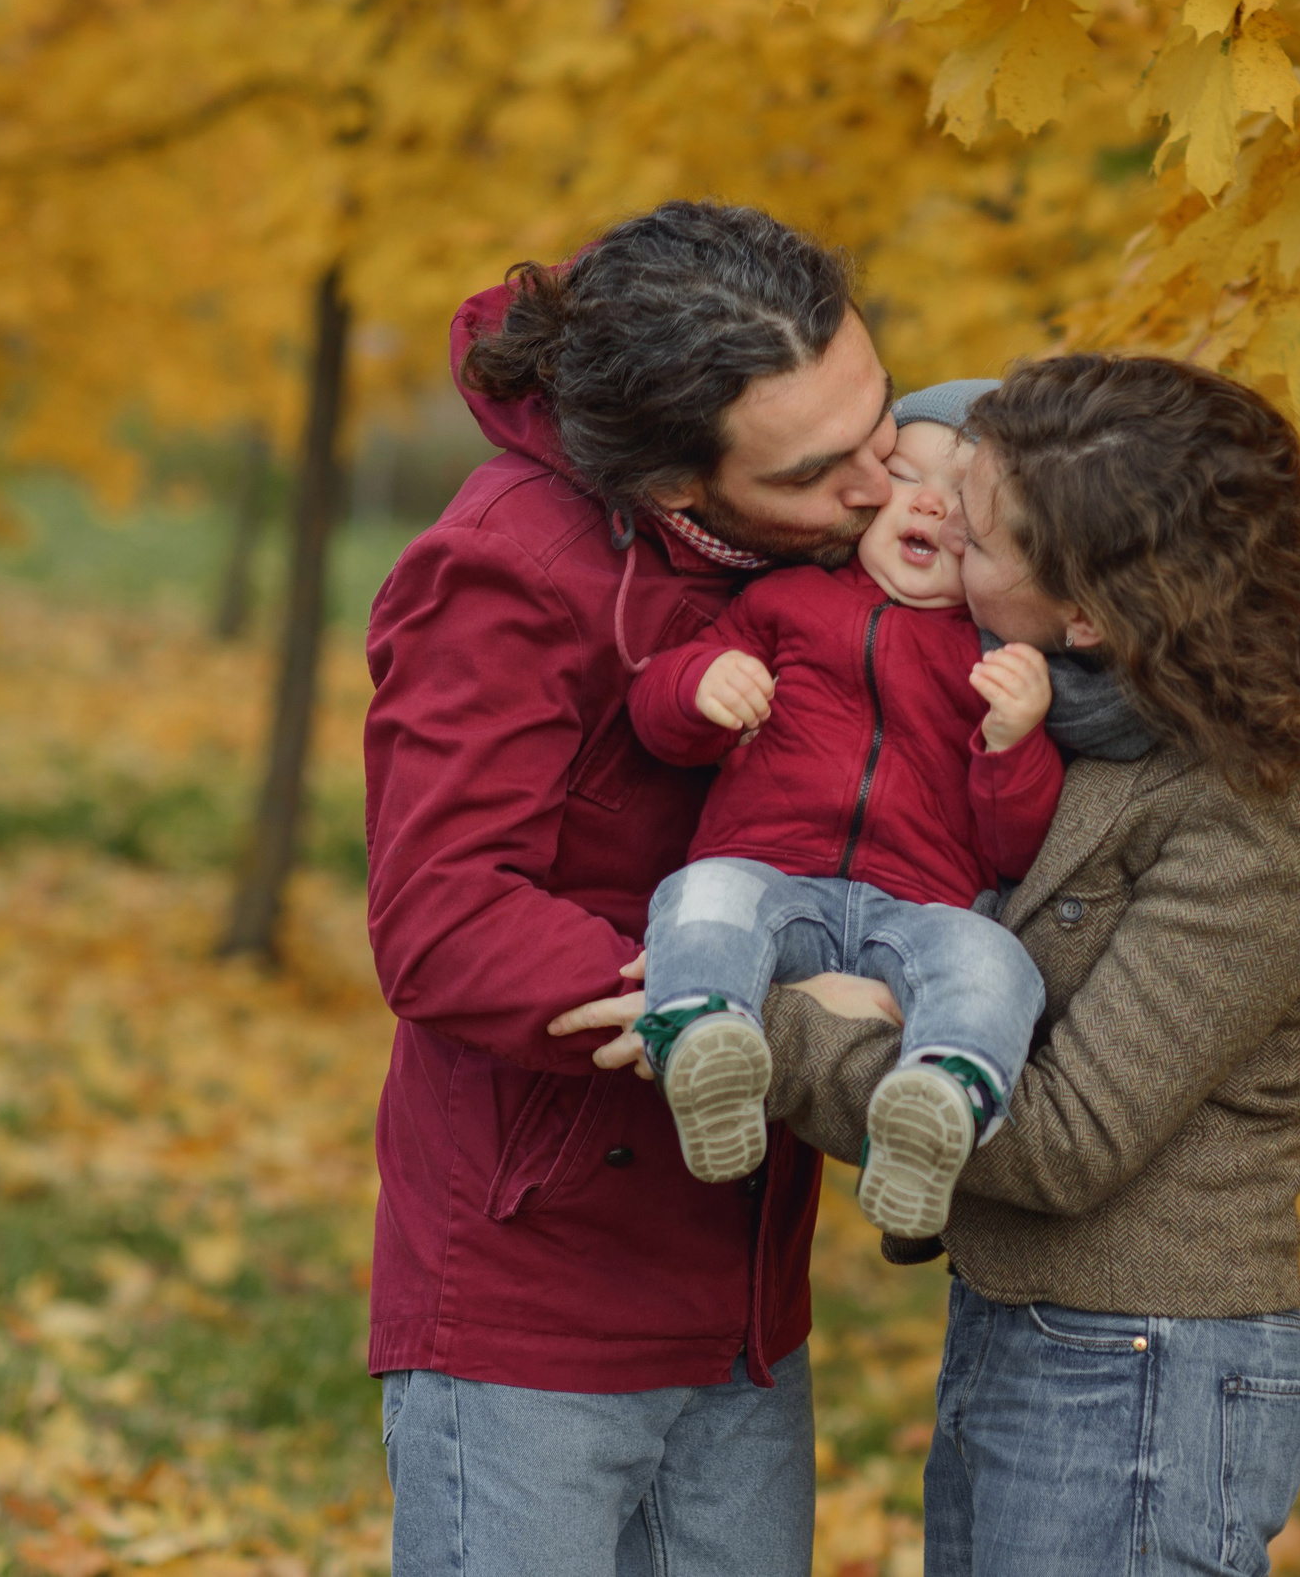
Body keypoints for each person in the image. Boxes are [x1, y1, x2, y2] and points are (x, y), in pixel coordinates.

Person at [761, 354, 1300, 1575]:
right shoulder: (1081, 716)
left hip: (1141, 1370)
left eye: (985, 533)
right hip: (1043, 1329)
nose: (946, 527)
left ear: (1091, 610)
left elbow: (1067, 1137)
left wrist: (799, 1030)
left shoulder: (1266, 808)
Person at [360, 200, 902, 1577]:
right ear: (675, 487)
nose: (881, 486)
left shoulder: (826, 543)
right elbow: (445, 920)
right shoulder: (511, 575)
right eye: (821, 469)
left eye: (879, 417)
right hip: (534, 1291)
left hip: (740, 1290)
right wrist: (736, 1011)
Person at [624, 408, 1064, 1238]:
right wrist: (701, 684)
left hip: (918, 909)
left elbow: (1018, 851)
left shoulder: (991, 659)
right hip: (769, 874)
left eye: (962, 499)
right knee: (703, 894)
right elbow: (656, 717)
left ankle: (939, 1101)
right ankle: (701, 1037)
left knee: (993, 955)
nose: (930, 504)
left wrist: (1014, 743)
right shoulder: (781, 600)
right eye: (905, 478)